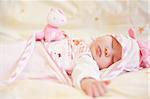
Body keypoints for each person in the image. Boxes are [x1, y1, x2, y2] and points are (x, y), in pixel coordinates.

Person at [40, 28, 149, 97]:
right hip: (39, 46)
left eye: (113, 59)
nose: (108, 51)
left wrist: (88, 81)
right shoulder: (87, 40)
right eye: (112, 45)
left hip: (43, 62)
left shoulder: (88, 59)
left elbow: (84, 70)